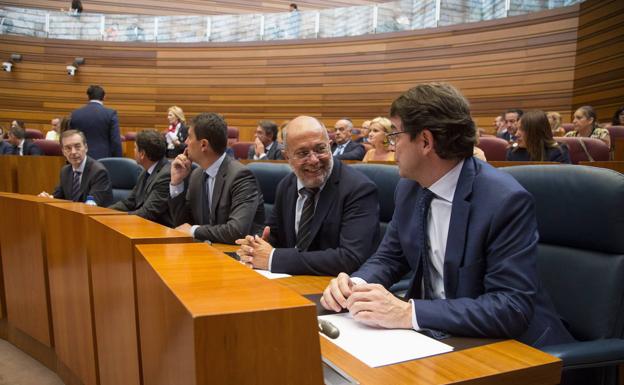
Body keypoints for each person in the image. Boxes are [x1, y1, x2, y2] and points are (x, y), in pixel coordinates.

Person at [320, 83, 573, 348]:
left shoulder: (505, 201)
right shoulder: (410, 187)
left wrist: (409, 313)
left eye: (395, 136)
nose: (392, 147)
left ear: (426, 142)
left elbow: (510, 307)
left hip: (510, 348)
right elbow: (390, 257)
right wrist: (355, 285)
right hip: (435, 337)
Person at [235, 116, 380, 275]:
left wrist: (273, 258)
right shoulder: (286, 185)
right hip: (289, 282)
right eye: (303, 153)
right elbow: (274, 234)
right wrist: (255, 247)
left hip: (334, 288)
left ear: (330, 147)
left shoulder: (359, 189)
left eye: (320, 149)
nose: (313, 160)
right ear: (287, 157)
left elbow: (350, 258)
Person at [168, 112, 265, 244]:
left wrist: (194, 231)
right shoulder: (196, 175)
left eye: (189, 137)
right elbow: (182, 225)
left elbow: (236, 231)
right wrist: (176, 183)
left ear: (203, 145)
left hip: (236, 255)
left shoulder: (241, 176)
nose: (185, 142)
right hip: (205, 252)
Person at [109, 130, 173, 226]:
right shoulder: (146, 170)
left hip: (159, 231)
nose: (134, 150)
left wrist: (117, 219)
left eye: (135, 147)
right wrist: (105, 212)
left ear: (142, 154)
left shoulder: (165, 175)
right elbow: (130, 202)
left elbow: (147, 213)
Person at [39, 130, 113, 206]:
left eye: (77, 147)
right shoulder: (65, 171)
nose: (73, 152)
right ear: (63, 152)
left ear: (86, 147)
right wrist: (49, 198)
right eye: (68, 148)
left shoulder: (98, 172)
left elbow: (93, 204)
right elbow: (59, 196)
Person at [70, 85, 122, 159]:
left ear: (88, 97)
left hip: (81, 158)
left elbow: (70, 137)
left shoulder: (75, 114)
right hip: (104, 159)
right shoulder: (110, 114)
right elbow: (116, 141)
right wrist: (119, 160)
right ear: (104, 97)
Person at [506, 110, 571, 163]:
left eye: (522, 129)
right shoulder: (513, 152)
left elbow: (564, 178)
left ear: (536, 131)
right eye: (517, 129)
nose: (516, 134)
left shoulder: (558, 151)